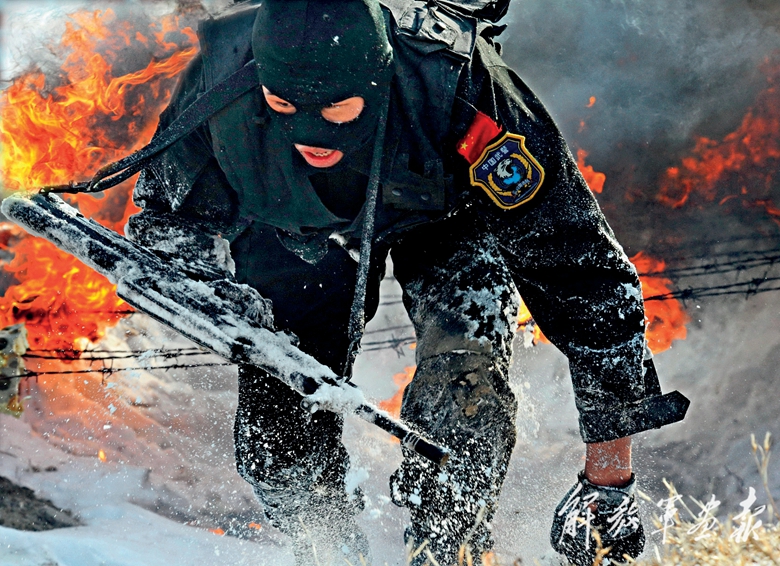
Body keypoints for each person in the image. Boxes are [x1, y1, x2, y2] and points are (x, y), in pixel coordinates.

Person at [127, 0, 689, 564]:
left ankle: (449, 550)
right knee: (279, 436)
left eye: (335, 107)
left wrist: (608, 482)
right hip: (296, 228)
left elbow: (585, 276)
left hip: (448, 215)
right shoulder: (219, 77)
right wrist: (204, 287)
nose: (309, 131)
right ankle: (325, 551)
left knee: (465, 396)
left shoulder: (464, 93)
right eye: (284, 105)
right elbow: (166, 215)